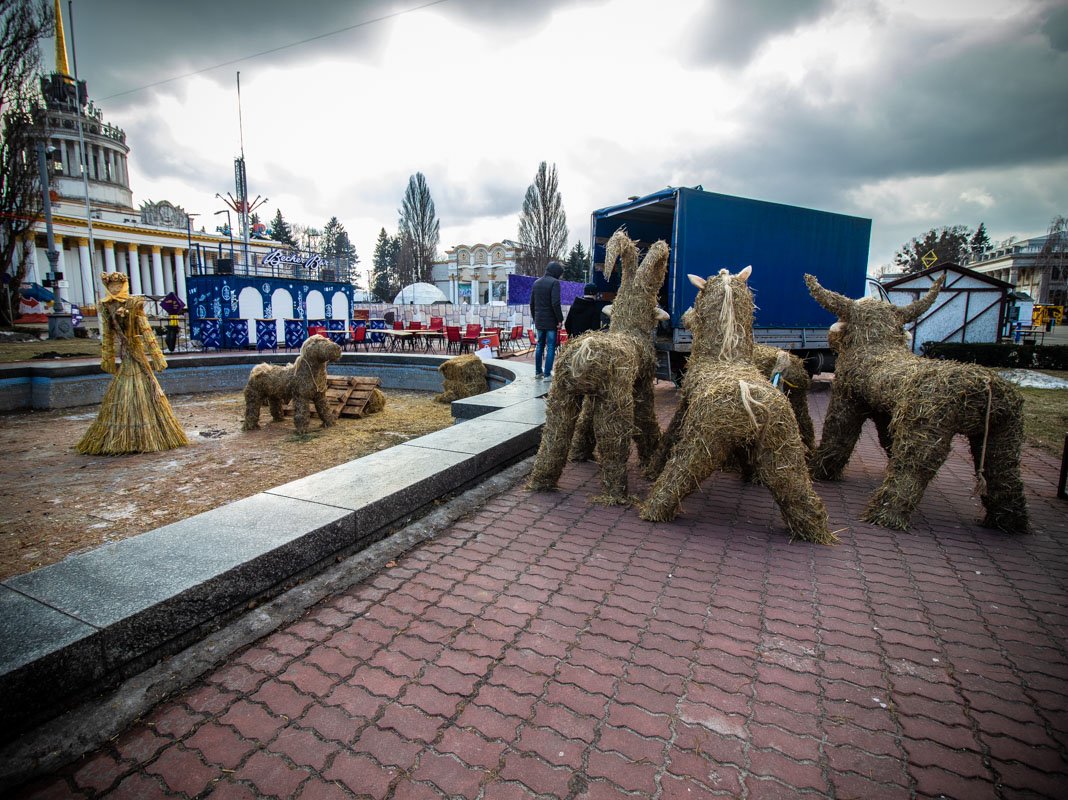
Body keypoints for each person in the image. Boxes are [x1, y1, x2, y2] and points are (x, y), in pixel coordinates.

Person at [75, 272, 188, 455]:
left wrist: (158, 358)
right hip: (128, 355)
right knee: (125, 397)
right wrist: (108, 360)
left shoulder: (134, 305)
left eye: (118, 285)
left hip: (135, 353)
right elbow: (108, 337)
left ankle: (151, 434)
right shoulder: (106, 307)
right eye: (112, 286)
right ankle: (123, 437)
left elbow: (147, 332)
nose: (115, 289)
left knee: (144, 392)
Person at [530, 261, 564, 379]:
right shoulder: (555, 283)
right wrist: (560, 319)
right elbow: (555, 303)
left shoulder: (536, 283)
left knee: (539, 345)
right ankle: (547, 374)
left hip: (539, 320)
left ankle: (538, 372)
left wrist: (535, 318)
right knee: (550, 346)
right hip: (551, 321)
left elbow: (532, 304)